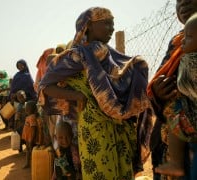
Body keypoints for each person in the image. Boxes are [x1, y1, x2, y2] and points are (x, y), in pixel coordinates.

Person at [40, 7, 151, 179]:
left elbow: (130, 79)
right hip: (94, 127)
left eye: (113, 24)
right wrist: (77, 96)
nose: (112, 29)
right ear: (89, 26)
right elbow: (46, 85)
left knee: (123, 171)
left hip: (120, 125)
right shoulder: (76, 56)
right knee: (100, 171)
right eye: (106, 23)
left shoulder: (112, 56)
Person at [147, 1, 197, 179]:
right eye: (179, 0)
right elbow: (163, 74)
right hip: (174, 135)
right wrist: (158, 91)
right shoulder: (177, 42)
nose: (184, 3)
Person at [21, 100, 39, 169]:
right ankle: (28, 163)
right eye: (26, 108)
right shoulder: (29, 116)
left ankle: (30, 163)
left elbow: (33, 128)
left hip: (30, 138)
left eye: (27, 108)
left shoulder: (32, 117)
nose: (26, 109)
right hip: (28, 137)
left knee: (30, 150)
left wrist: (32, 139)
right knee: (28, 150)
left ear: (32, 109)